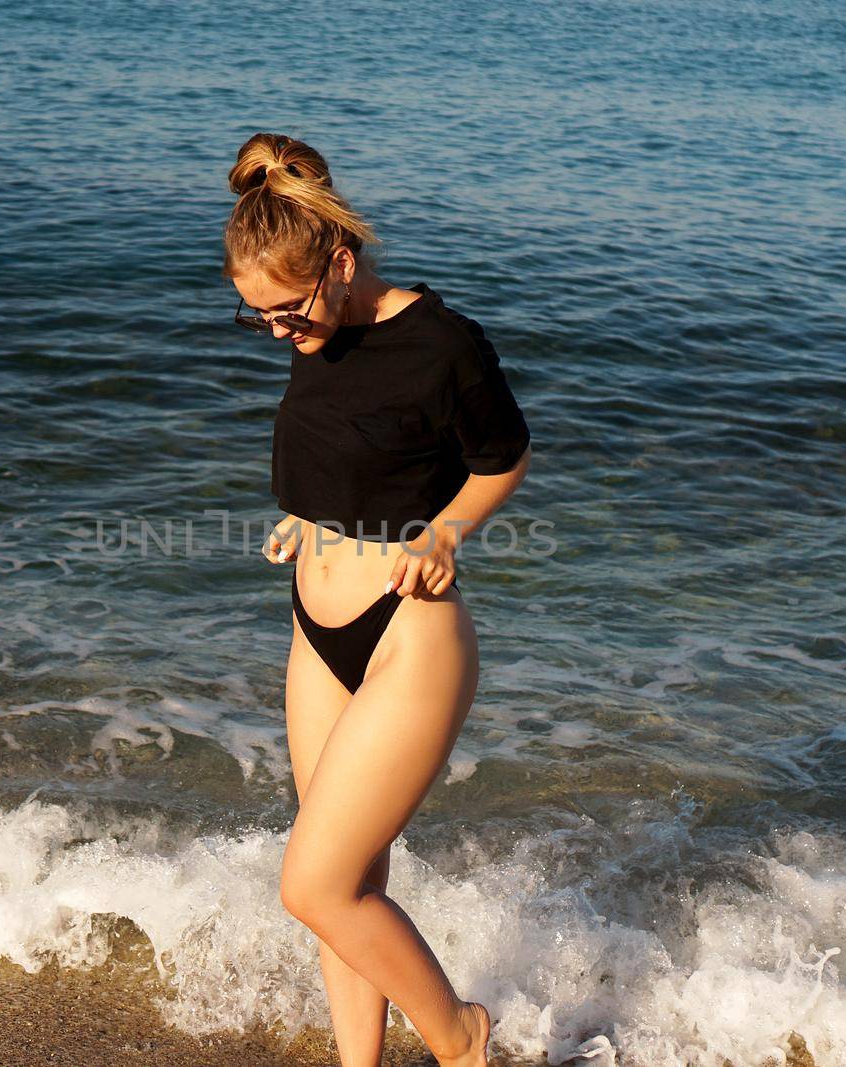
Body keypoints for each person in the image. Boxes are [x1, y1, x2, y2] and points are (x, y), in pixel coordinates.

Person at [222, 132, 532, 1067]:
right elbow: (358, 451)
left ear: (341, 262)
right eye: (258, 319)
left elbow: (503, 458)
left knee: (312, 883)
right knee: (348, 880)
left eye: (285, 311)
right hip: (315, 630)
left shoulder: (442, 344)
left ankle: (463, 1037)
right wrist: (311, 520)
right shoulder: (315, 326)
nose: (279, 331)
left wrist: (444, 533)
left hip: (408, 634)